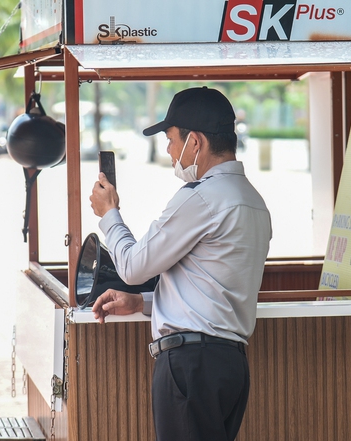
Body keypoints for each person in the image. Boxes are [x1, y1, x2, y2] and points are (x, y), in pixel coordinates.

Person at [89, 86, 272, 441]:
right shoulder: (254, 202)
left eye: (172, 140)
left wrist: (110, 213)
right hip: (230, 365)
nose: (170, 151)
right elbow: (212, 287)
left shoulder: (201, 197)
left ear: (196, 143)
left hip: (192, 365)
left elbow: (132, 266)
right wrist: (142, 303)